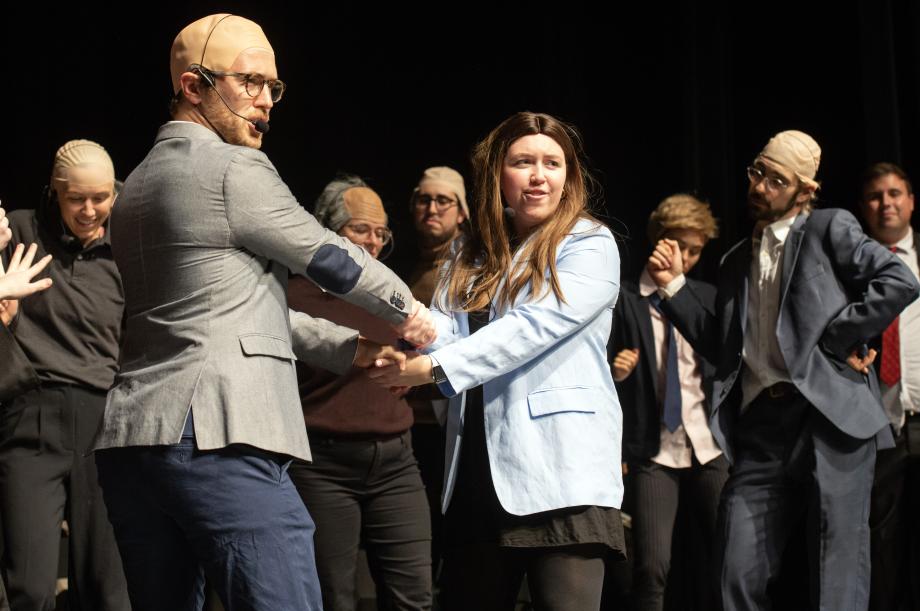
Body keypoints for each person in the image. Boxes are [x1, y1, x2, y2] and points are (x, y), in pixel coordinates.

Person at [92, 14, 435, 611]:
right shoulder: (233, 167)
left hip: (134, 443)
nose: (266, 102)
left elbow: (225, 312)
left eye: (273, 87)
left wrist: (349, 348)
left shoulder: (137, 185)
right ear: (193, 86)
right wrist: (413, 311)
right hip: (216, 433)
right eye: (249, 82)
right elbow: (329, 257)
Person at [647, 130, 920, 610]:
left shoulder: (828, 227)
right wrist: (673, 288)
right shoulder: (734, 261)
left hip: (829, 416)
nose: (760, 186)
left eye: (777, 180)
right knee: (734, 562)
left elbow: (897, 280)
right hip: (762, 428)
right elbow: (719, 344)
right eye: (758, 172)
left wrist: (837, 338)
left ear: (804, 190)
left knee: (836, 563)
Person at [371, 111, 624, 611]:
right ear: (496, 174)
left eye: (553, 163)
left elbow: (533, 328)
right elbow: (446, 327)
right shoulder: (470, 248)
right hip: (477, 471)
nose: (538, 175)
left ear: (569, 176)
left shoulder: (590, 243)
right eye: (523, 162)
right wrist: (412, 343)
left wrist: (435, 371)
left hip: (561, 471)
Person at [287, 176, 432, 610]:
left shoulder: (393, 297)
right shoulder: (293, 297)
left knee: (414, 596)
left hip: (396, 461)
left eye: (381, 233)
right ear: (328, 232)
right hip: (322, 466)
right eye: (360, 229)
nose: (372, 242)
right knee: (334, 596)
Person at [1, 140, 130, 611]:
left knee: (107, 590)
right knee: (31, 589)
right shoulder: (19, 231)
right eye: (77, 198)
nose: (91, 210)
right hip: (32, 417)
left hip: (103, 423)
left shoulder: (127, 247)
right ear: (55, 192)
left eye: (102, 197)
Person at [610, 194, 727, 611]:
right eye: (681, 246)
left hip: (708, 445)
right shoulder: (625, 299)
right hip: (652, 451)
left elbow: (722, 359)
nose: (688, 258)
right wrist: (616, 371)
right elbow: (603, 372)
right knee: (652, 568)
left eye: (697, 250)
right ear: (660, 241)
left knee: (731, 559)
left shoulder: (707, 296)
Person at [398, 165, 470, 578]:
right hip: (409, 421)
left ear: (461, 212)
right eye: (424, 199)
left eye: (444, 201)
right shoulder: (403, 266)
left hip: (453, 420)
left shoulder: (473, 265)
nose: (432, 208)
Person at [858, 162, 920, 611]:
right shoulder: (852, 271)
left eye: (895, 193)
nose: (887, 204)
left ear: (911, 201)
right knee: (884, 545)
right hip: (881, 424)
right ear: (866, 208)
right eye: (877, 197)